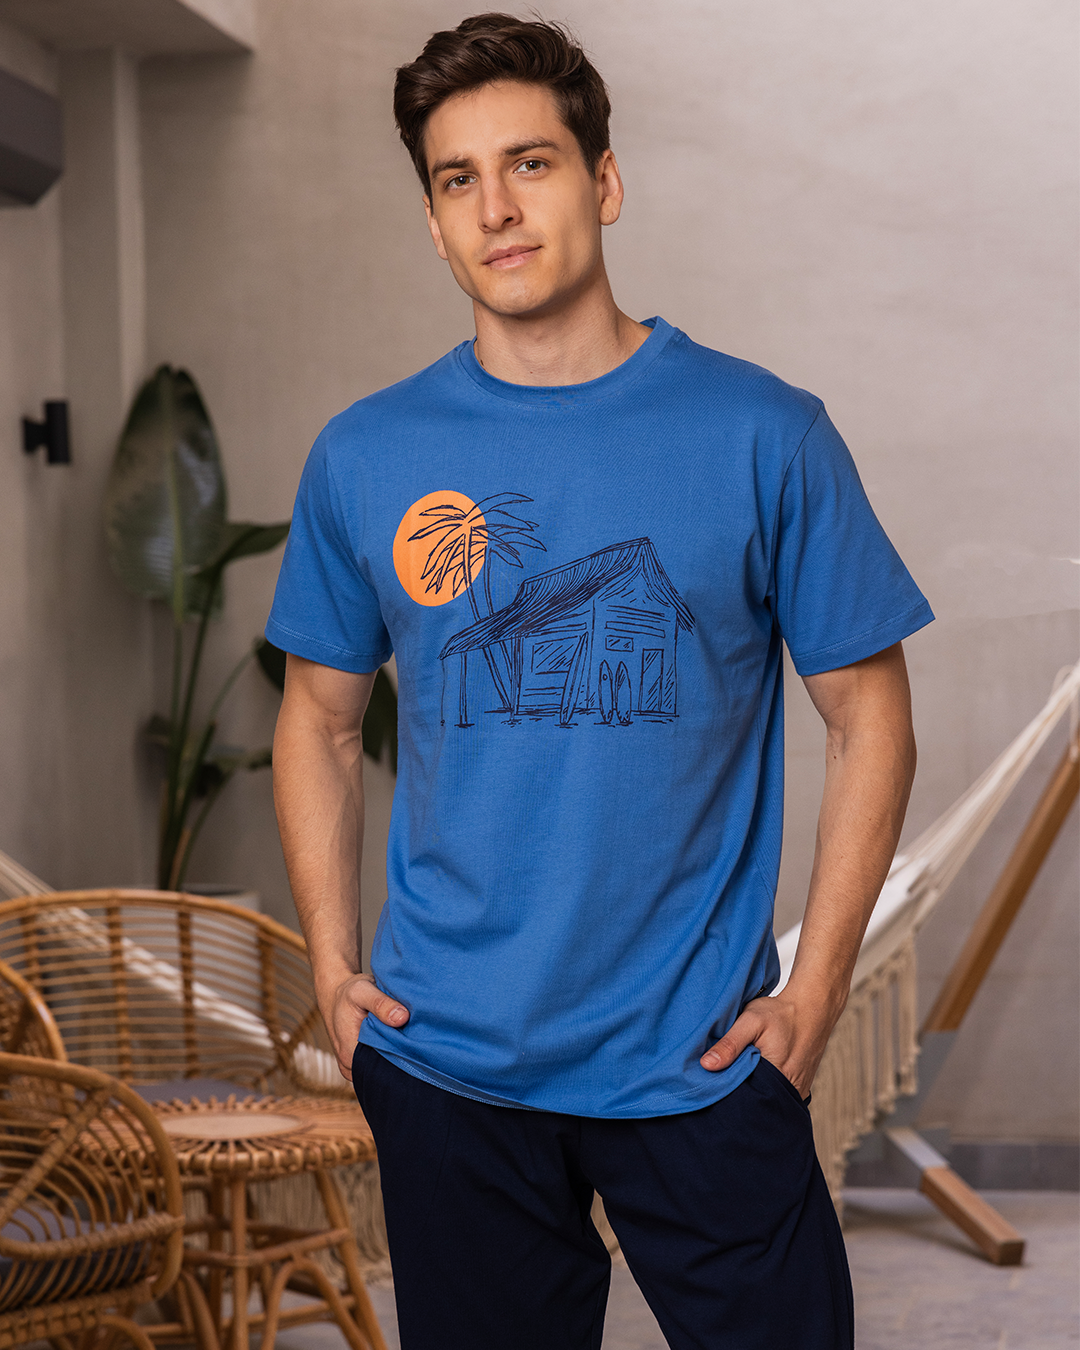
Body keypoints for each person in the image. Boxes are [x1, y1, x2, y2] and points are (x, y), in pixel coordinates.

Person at [268, 13, 933, 1349]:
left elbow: (872, 721)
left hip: (701, 1062)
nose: (497, 208)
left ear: (606, 181)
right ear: (433, 223)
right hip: (449, 1066)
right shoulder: (364, 454)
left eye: (532, 163)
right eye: (459, 179)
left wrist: (814, 996)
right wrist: (336, 971)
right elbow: (320, 723)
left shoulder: (764, 434)